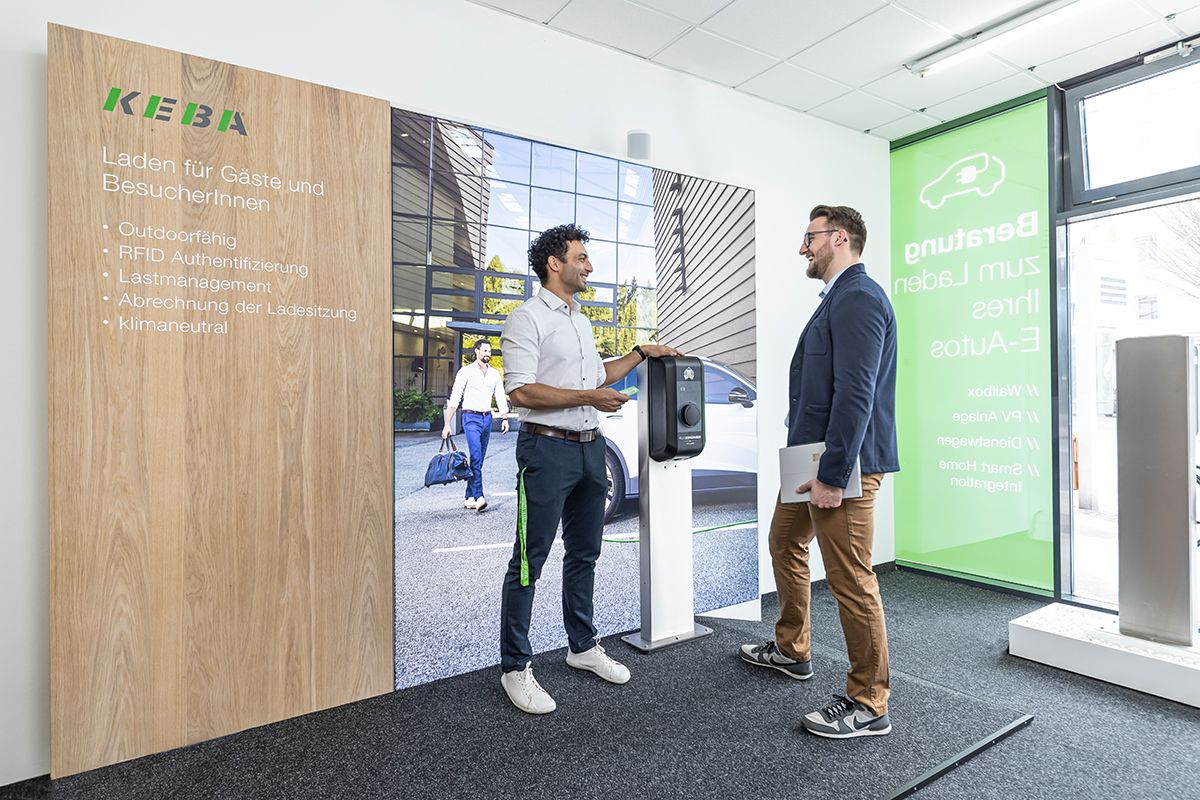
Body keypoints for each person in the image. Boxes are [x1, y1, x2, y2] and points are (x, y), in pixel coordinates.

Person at [497, 223, 681, 714]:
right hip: (546, 451)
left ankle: (581, 647)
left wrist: (642, 353)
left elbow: (598, 375)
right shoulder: (525, 319)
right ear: (554, 263)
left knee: (585, 554)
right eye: (581, 257)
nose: (589, 265)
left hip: (589, 448)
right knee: (529, 560)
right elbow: (521, 392)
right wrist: (589, 397)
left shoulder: (579, 320)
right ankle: (515, 667)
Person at [739, 204, 899, 739]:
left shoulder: (858, 297)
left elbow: (858, 392)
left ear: (840, 237)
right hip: (810, 459)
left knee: (852, 580)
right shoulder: (837, 297)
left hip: (841, 466)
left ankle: (869, 703)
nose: (802, 248)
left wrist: (833, 474)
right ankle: (792, 649)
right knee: (784, 540)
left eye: (809, 238)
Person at [443, 340, 509, 512]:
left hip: (487, 418)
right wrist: (447, 424)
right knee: (476, 455)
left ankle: (469, 496)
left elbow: (500, 395)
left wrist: (504, 417)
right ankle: (479, 496)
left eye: (490, 351)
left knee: (478, 460)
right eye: (485, 350)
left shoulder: (494, 374)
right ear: (477, 351)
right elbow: (455, 397)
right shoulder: (465, 372)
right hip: (470, 417)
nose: (488, 353)